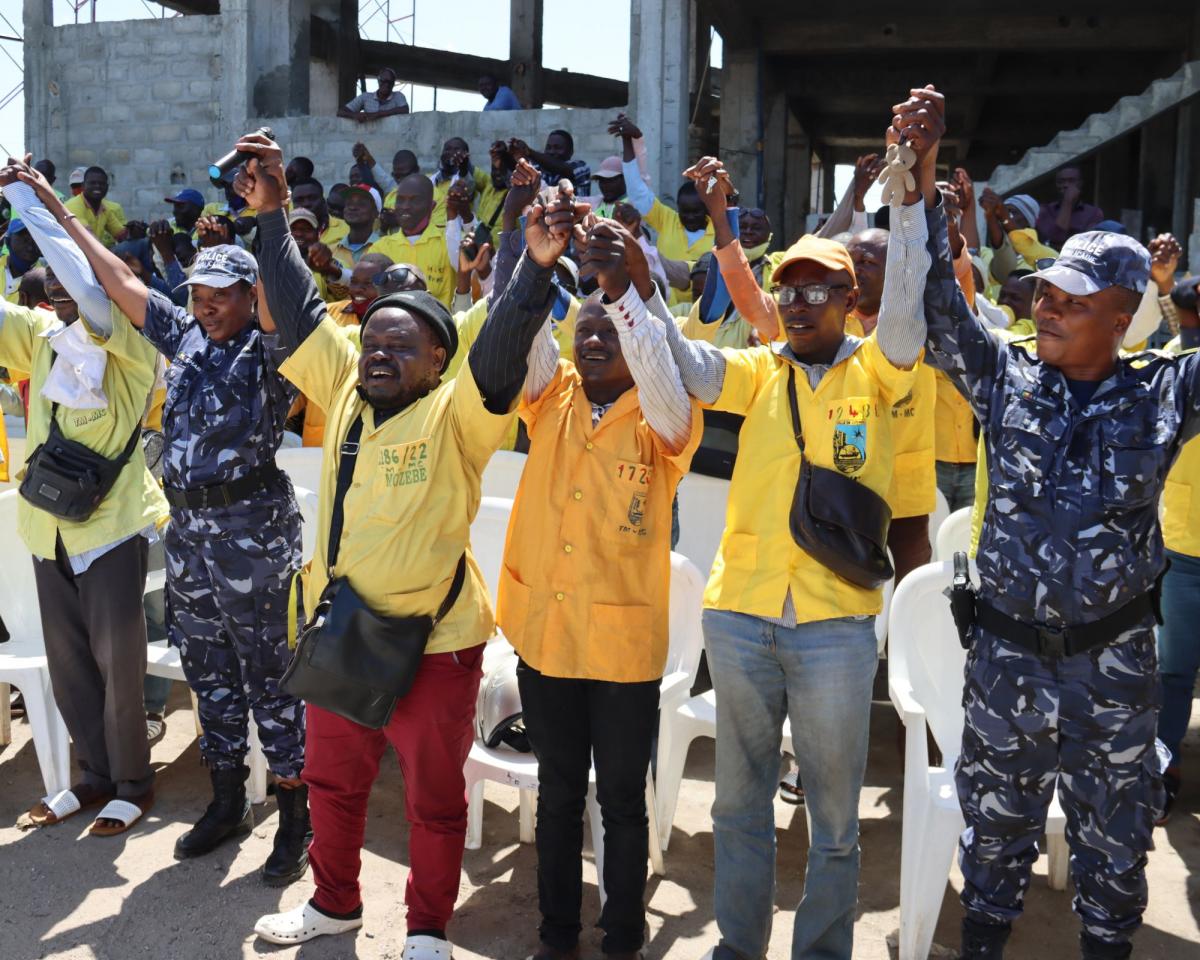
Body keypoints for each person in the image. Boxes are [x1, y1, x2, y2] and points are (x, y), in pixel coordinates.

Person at [229, 130, 588, 956]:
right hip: (344, 632)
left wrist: (532, 270)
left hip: (434, 644)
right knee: (333, 784)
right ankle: (334, 906)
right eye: (375, 342)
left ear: (436, 361)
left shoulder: (460, 413)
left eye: (404, 346)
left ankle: (426, 928)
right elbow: (298, 304)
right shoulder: (345, 383)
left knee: (433, 801)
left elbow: (497, 349)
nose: (381, 354)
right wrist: (274, 212)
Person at [898, 85, 1196, 960]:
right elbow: (937, 306)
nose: (1047, 307)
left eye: (1072, 298)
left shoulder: (1164, 393)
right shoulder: (1006, 378)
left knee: (1114, 854)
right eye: (1045, 293)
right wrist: (913, 183)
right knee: (991, 843)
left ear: (1122, 313)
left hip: (1113, 670)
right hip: (1006, 662)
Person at [10, 157, 313, 883]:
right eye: (198, 292)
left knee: (269, 677)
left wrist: (274, 214)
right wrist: (54, 206)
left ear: (249, 297)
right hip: (191, 539)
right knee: (209, 674)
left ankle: (295, 815)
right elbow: (119, 281)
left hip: (252, 535)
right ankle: (226, 800)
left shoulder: (269, 353)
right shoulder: (184, 338)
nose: (205, 303)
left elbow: (291, 302)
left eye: (221, 294)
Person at [659, 145, 927, 959]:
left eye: (818, 287)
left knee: (836, 820)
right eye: (789, 288)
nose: (799, 299)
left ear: (851, 300)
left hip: (836, 627)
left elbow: (910, 306)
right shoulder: (759, 370)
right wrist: (636, 289)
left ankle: (820, 953)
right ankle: (738, 947)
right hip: (739, 618)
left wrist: (908, 197)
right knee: (738, 808)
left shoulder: (883, 372)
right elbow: (694, 367)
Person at [501, 216, 701, 960]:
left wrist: (623, 293)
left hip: (622, 653)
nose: (592, 338)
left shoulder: (665, 419)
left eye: (608, 331)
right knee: (557, 796)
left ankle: (621, 938)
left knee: (621, 801)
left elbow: (657, 363)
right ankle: (556, 937)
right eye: (583, 328)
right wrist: (535, 259)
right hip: (545, 640)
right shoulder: (548, 399)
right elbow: (520, 331)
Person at [0, 164, 167, 838]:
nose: (59, 294)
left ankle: (133, 781)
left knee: (118, 663)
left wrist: (32, 200)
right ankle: (91, 776)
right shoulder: (40, 338)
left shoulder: (127, 344)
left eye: (72, 285)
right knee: (69, 662)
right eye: (52, 290)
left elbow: (79, 275)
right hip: (48, 529)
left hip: (110, 528)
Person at [846, 226, 936, 583]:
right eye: (850, 260)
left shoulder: (925, 318)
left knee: (911, 584)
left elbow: (965, 295)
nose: (855, 270)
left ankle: (900, 643)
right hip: (847, 480)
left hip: (905, 483)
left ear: (896, 271)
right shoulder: (830, 319)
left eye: (867, 261)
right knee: (846, 582)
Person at [1154, 274, 1199, 823]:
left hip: (1182, 540)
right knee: (1174, 671)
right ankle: (1164, 770)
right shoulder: (1169, 362)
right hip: (1184, 546)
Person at [619, 126, 714, 306]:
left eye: (697, 211)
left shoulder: (720, 231)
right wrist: (629, 142)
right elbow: (637, 190)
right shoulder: (668, 219)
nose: (690, 216)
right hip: (664, 310)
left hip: (703, 314)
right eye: (685, 211)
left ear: (708, 208)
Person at [374, 174, 459, 308]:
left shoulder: (449, 243)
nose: (405, 206)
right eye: (400, 200)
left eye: (415, 200)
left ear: (431, 206)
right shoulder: (380, 248)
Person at [1036, 165, 1105, 249]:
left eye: (1071, 181)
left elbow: (1087, 244)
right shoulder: (1045, 210)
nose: (1066, 185)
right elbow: (1057, 237)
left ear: (1080, 183)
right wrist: (1067, 202)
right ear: (1056, 185)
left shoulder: (1094, 213)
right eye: (1061, 181)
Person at [508, 131, 592, 194]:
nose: (551, 151)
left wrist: (529, 152)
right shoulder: (538, 167)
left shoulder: (580, 167)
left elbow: (563, 169)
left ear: (570, 151)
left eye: (557, 148)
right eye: (548, 147)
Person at [65, 167, 127, 248]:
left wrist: (136, 232)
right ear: (83, 186)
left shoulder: (104, 209)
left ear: (107, 187)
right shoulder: (74, 205)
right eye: (92, 183)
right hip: (71, 255)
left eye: (101, 183)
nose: (97, 186)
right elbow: (87, 239)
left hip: (91, 253)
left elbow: (121, 235)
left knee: (140, 244)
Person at [329, 184, 382, 270]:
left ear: (376, 212)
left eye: (361, 204)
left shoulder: (386, 248)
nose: (352, 207)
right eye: (349, 203)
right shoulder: (330, 251)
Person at [292, 177, 349, 247]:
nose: (306, 204)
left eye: (312, 198)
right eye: (299, 200)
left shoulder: (347, 230)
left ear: (323, 201)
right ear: (293, 205)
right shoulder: (285, 233)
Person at [339, 67, 410, 121]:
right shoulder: (365, 97)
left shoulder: (398, 96)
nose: (387, 85)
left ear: (393, 83)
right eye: (384, 81)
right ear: (379, 81)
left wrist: (379, 114)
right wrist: (354, 115)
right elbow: (340, 112)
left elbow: (405, 109)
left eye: (390, 82)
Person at [2, 218, 42, 303]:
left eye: (35, 239)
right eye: (24, 238)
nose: (30, 246)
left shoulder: (44, 280)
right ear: (8, 241)